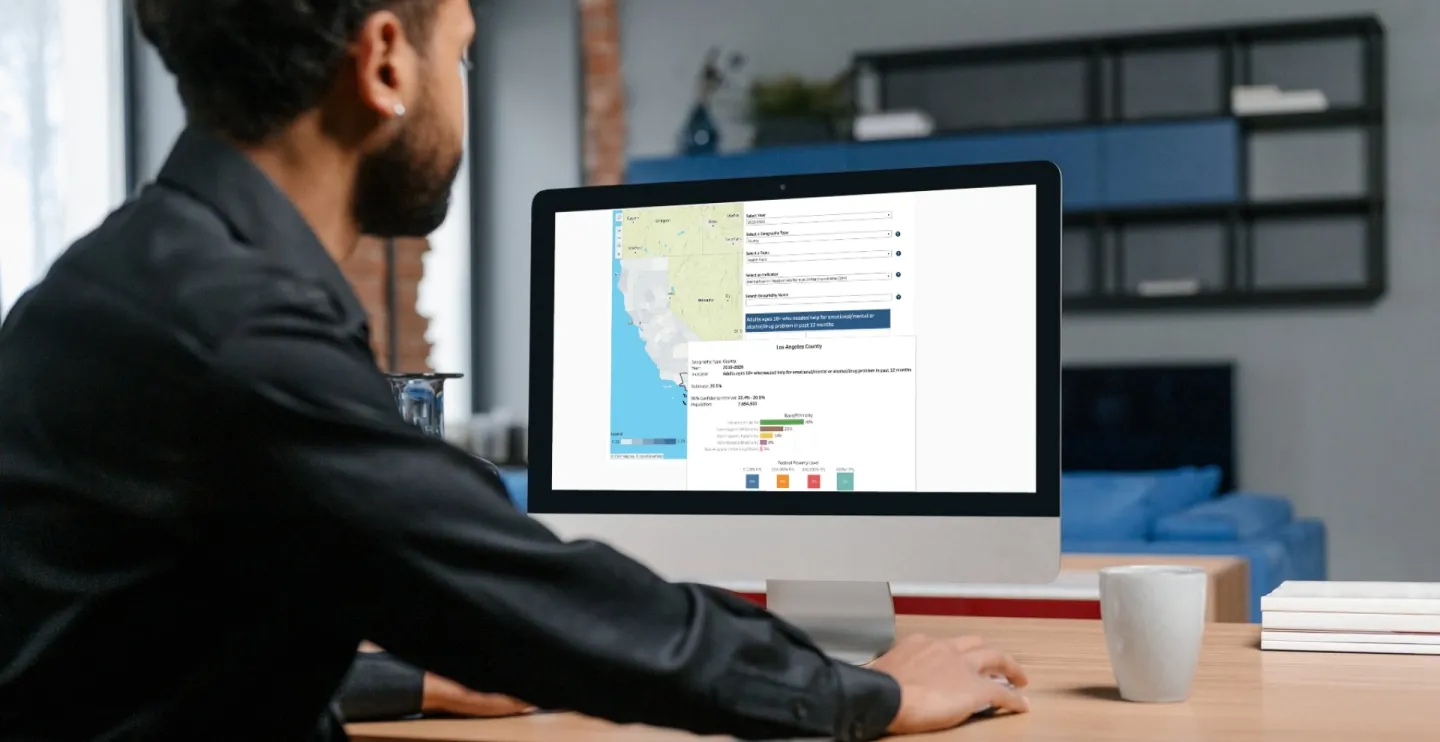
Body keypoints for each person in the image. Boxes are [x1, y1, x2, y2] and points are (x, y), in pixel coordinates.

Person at [0, 1, 1030, 739]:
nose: (464, 88)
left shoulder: (133, 282)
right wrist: (868, 694)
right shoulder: (233, 337)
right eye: (465, 51)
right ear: (388, 63)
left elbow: (129, 662)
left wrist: (413, 681)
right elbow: (548, 609)